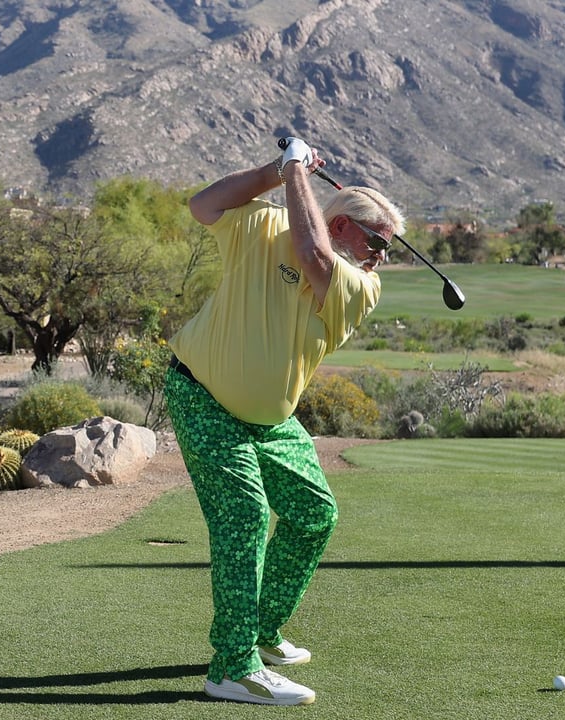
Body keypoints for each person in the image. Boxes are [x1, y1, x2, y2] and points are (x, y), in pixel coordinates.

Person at [164, 137, 404, 706]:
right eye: (377, 241)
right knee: (244, 519)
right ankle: (233, 667)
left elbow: (314, 256)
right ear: (342, 222)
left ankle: (263, 630)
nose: (381, 257)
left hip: (271, 419)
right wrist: (279, 170)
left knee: (314, 514)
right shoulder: (266, 225)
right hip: (203, 398)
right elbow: (204, 205)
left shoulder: (360, 285)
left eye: (389, 249)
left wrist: (296, 166)